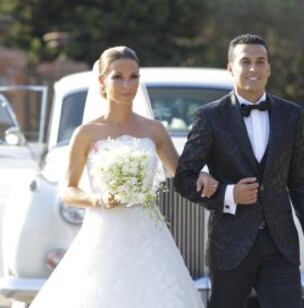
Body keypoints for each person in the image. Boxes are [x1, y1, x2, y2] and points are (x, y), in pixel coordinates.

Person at [29, 46, 218, 308]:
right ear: (101, 81)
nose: (128, 85)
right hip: (102, 235)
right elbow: (68, 191)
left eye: (134, 76)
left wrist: (204, 177)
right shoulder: (86, 133)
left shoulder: (154, 130)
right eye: (118, 77)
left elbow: (183, 175)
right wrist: (100, 199)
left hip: (149, 237)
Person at [174, 34, 304, 308]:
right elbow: (183, 178)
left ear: (269, 68)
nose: (253, 68)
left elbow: (300, 181)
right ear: (231, 68)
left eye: (260, 61)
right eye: (245, 62)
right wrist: (229, 195)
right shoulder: (210, 117)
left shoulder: (291, 115)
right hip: (230, 246)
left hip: (280, 244)